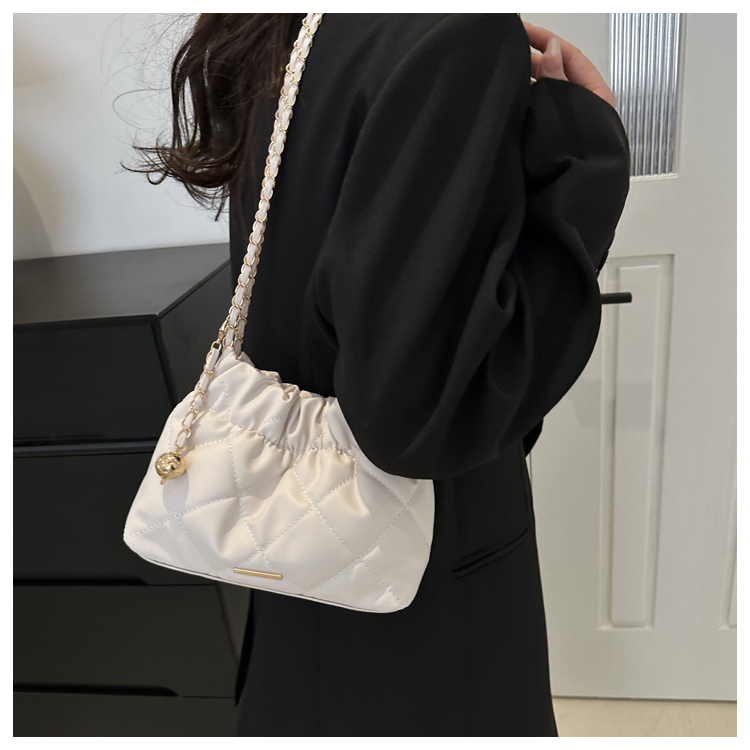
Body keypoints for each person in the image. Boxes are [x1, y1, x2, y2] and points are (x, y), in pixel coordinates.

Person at [130, 12, 629, 737]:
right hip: (421, 583)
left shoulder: (295, 22)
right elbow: (421, 419)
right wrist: (585, 150)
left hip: (298, 542)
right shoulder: (454, 30)